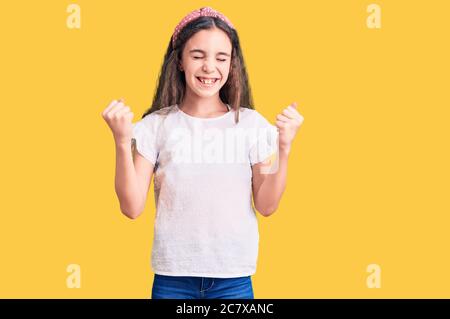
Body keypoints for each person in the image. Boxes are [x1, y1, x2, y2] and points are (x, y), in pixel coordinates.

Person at [102, 6, 304, 299]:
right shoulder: (156, 126)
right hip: (172, 279)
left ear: (232, 64)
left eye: (221, 58)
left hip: (233, 279)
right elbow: (132, 207)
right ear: (180, 61)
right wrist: (121, 141)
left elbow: (267, 205)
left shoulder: (250, 125)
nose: (210, 67)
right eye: (198, 56)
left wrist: (284, 149)